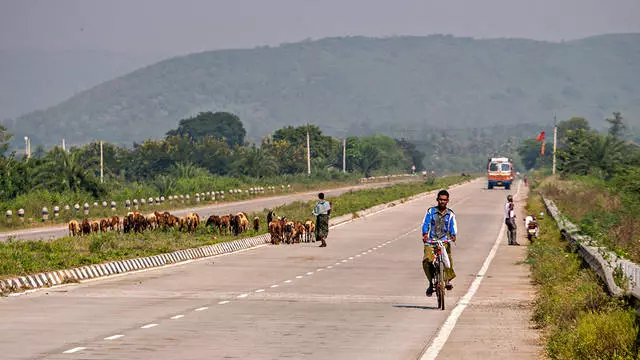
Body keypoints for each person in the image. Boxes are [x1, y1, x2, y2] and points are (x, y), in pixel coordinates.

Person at [422, 189, 457, 297]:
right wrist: (425, 234)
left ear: (447, 201)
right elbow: (425, 223)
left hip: (444, 241)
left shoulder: (450, 214)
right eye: (440, 199)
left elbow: (453, 226)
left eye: (444, 200)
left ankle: (447, 281)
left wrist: (453, 235)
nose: (442, 202)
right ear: (437, 200)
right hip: (431, 241)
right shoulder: (430, 211)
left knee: (448, 260)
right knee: (427, 261)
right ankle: (431, 283)